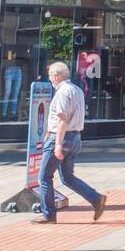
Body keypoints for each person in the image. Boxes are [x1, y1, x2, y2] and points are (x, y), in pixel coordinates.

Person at [35, 61, 107, 224]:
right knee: (67, 177)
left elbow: (62, 120)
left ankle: (48, 214)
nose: (50, 79)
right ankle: (96, 199)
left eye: (50, 76)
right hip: (75, 137)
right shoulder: (77, 90)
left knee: (44, 177)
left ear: (56, 76)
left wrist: (58, 145)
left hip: (60, 138)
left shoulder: (62, 93)